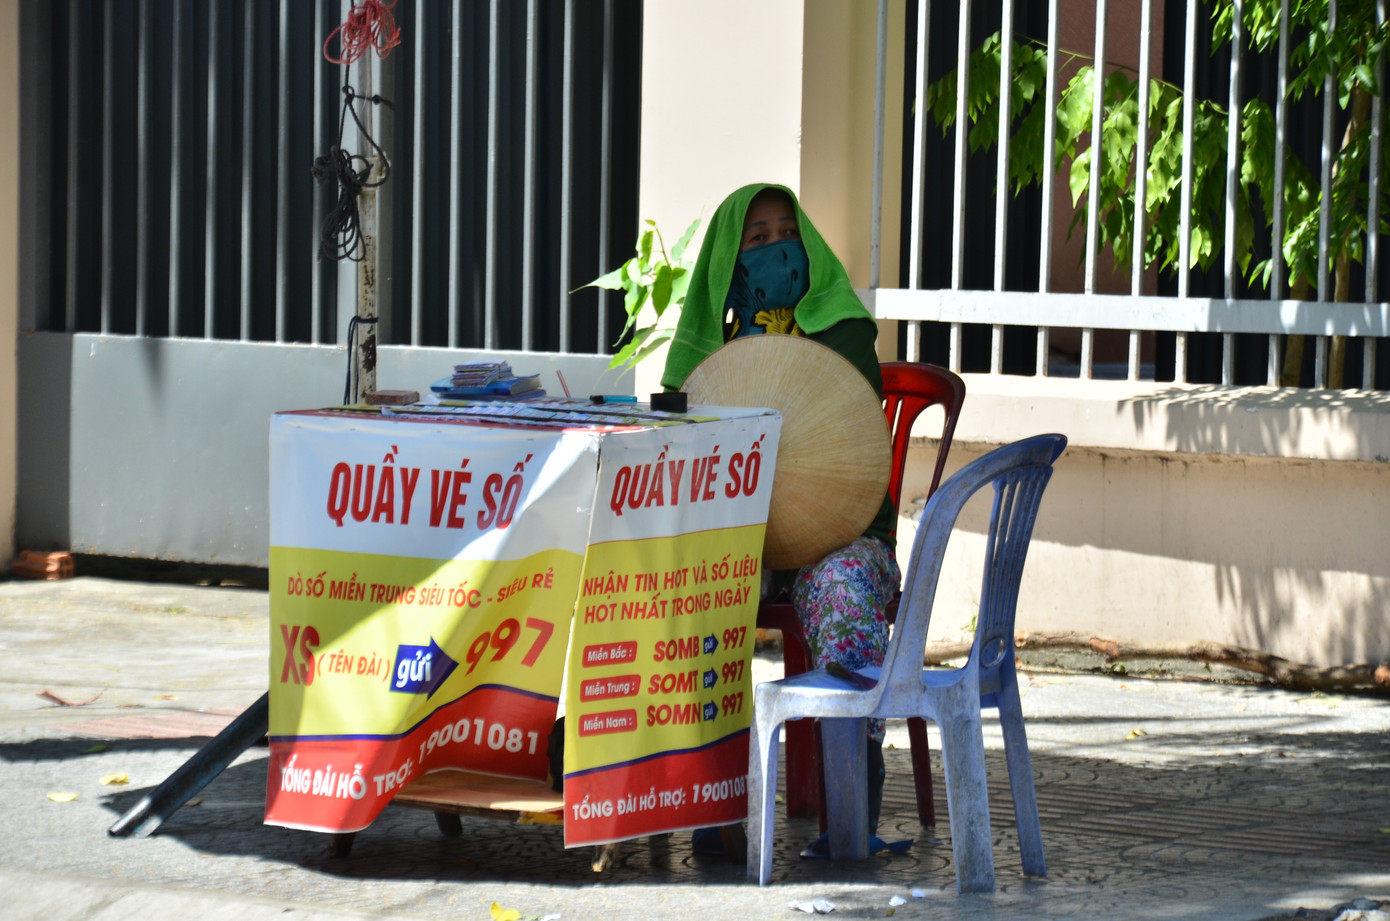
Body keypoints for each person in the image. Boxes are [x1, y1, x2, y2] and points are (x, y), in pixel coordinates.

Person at [662, 183, 902, 859]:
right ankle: (712, 801)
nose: (777, 248)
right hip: (749, 534)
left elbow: (852, 449)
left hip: (844, 533)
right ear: (728, 266)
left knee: (842, 594)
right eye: (757, 239)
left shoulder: (845, 329)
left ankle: (854, 794)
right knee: (702, 592)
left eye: (786, 233)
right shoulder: (717, 348)